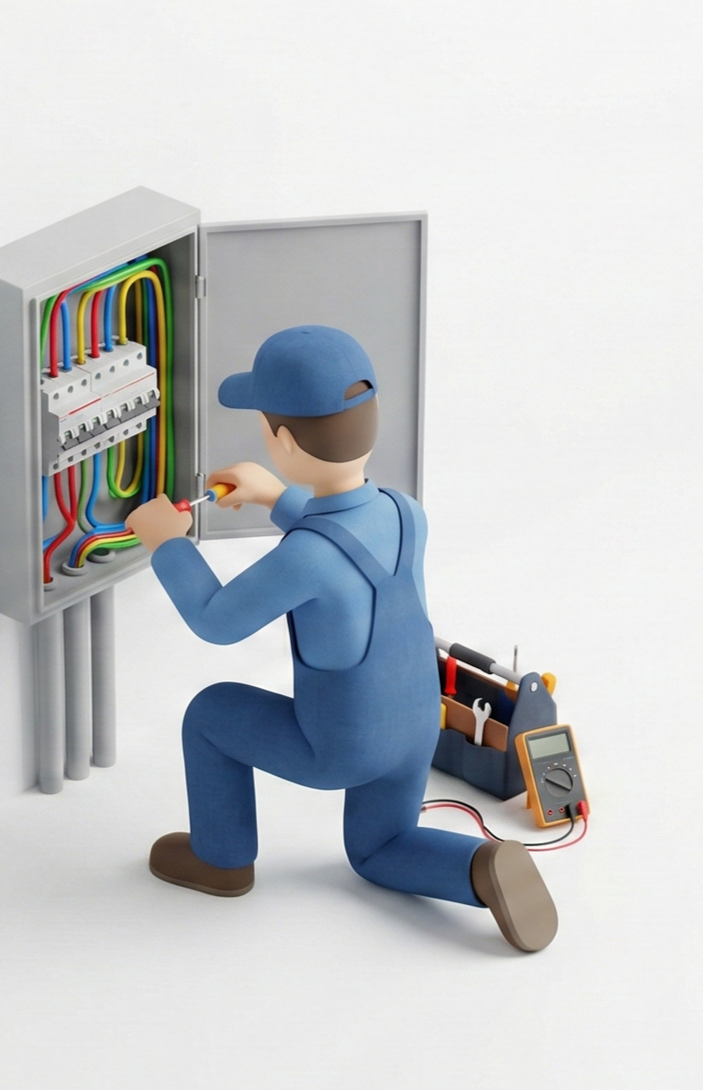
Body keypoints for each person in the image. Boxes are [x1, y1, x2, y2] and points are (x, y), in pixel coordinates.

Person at [125, 325, 557, 952]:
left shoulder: (305, 558)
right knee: (379, 847)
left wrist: (166, 539)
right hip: (416, 727)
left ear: (283, 440)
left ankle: (222, 860)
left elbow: (217, 620)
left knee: (211, 713)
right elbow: (349, 532)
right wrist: (278, 495)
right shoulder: (406, 512)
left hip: (340, 748)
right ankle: (478, 869)